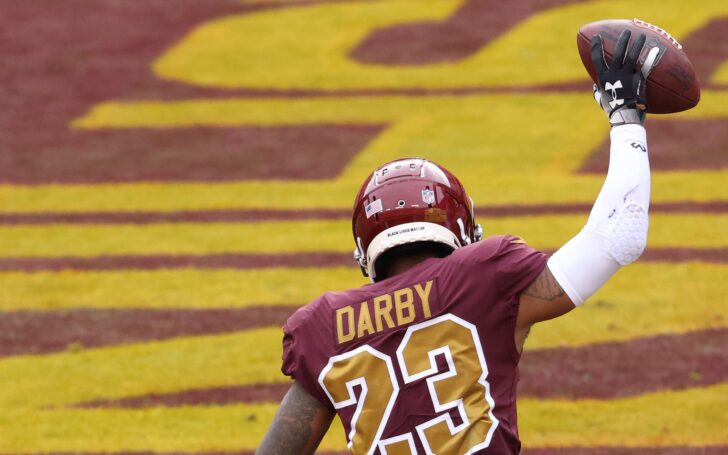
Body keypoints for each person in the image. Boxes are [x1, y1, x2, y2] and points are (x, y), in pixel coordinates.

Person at [256, 30, 658, 454]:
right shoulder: (481, 278)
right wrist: (625, 116)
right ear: (462, 227)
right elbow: (620, 234)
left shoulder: (324, 326)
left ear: (365, 250)